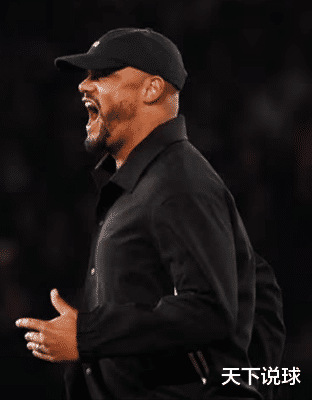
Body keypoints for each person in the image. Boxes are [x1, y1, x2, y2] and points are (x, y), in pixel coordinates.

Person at [15, 27, 285, 399]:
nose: (83, 85)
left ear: (152, 89)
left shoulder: (178, 184)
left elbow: (209, 310)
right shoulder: (144, 183)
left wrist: (87, 335)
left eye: (102, 73)